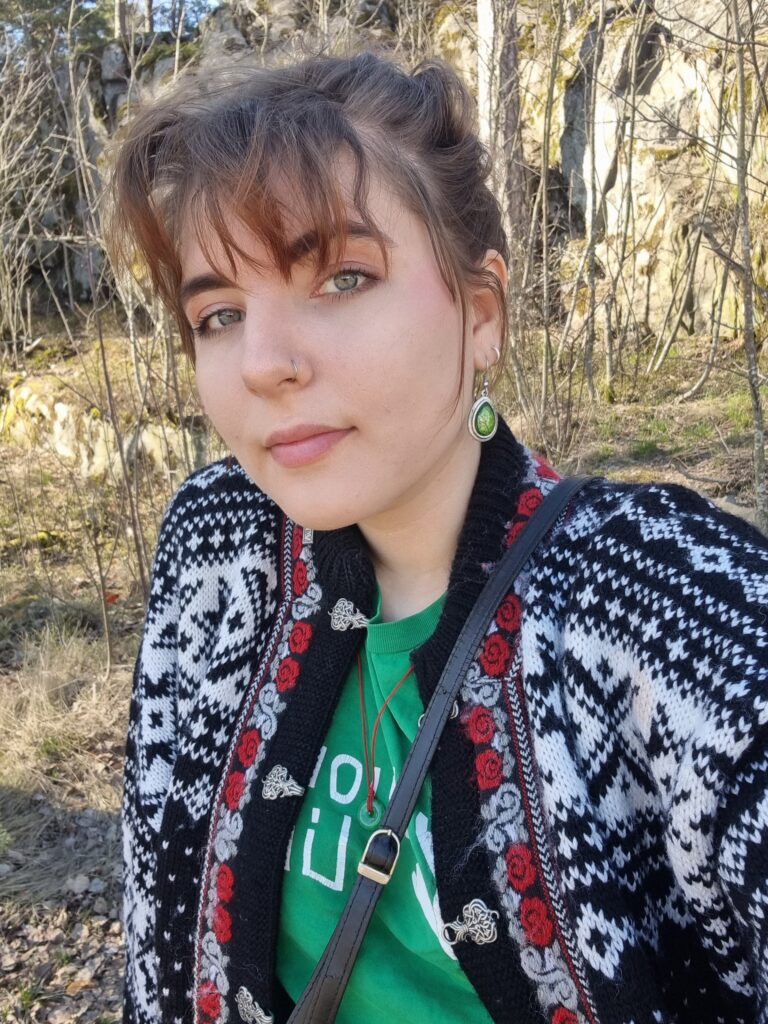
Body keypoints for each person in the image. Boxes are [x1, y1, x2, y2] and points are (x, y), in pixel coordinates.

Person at [110, 49, 768, 1024]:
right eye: (218, 314)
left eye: (342, 276)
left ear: (482, 314)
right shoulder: (216, 544)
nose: (262, 362)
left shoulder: (662, 602)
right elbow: (154, 944)